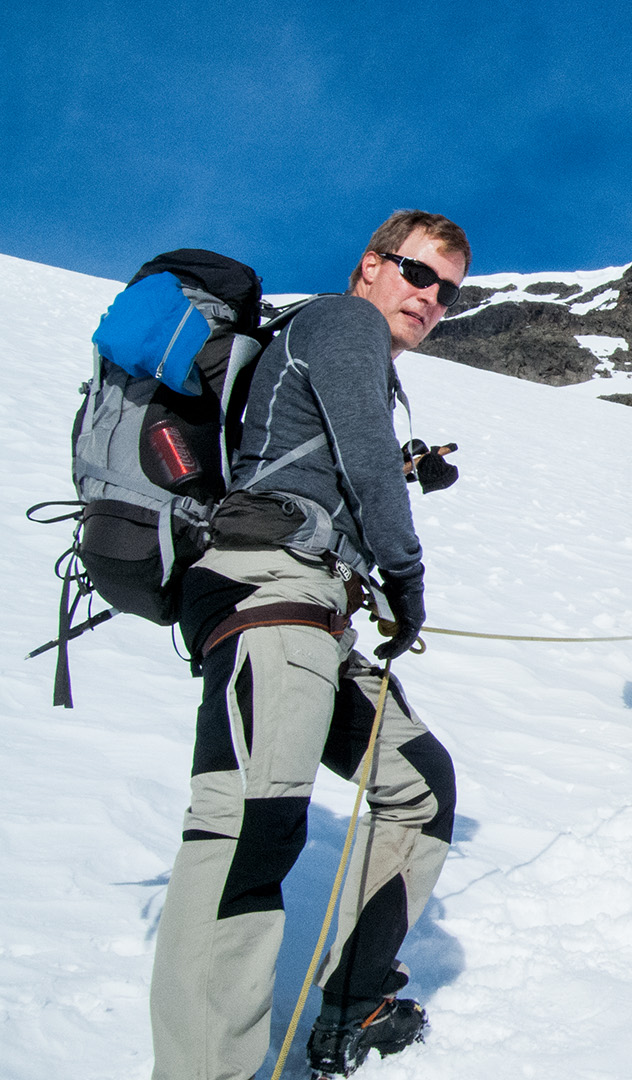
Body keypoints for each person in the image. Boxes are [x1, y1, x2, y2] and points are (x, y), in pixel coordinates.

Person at [150, 211, 467, 1079]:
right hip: (271, 597)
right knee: (247, 830)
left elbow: (338, 457)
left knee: (419, 785)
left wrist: (409, 472)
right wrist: (406, 576)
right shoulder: (343, 321)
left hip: (312, 611)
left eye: (447, 289)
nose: (429, 297)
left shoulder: (330, 340)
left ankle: (353, 1000)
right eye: (417, 272)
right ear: (371, 264)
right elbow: (363, 462)